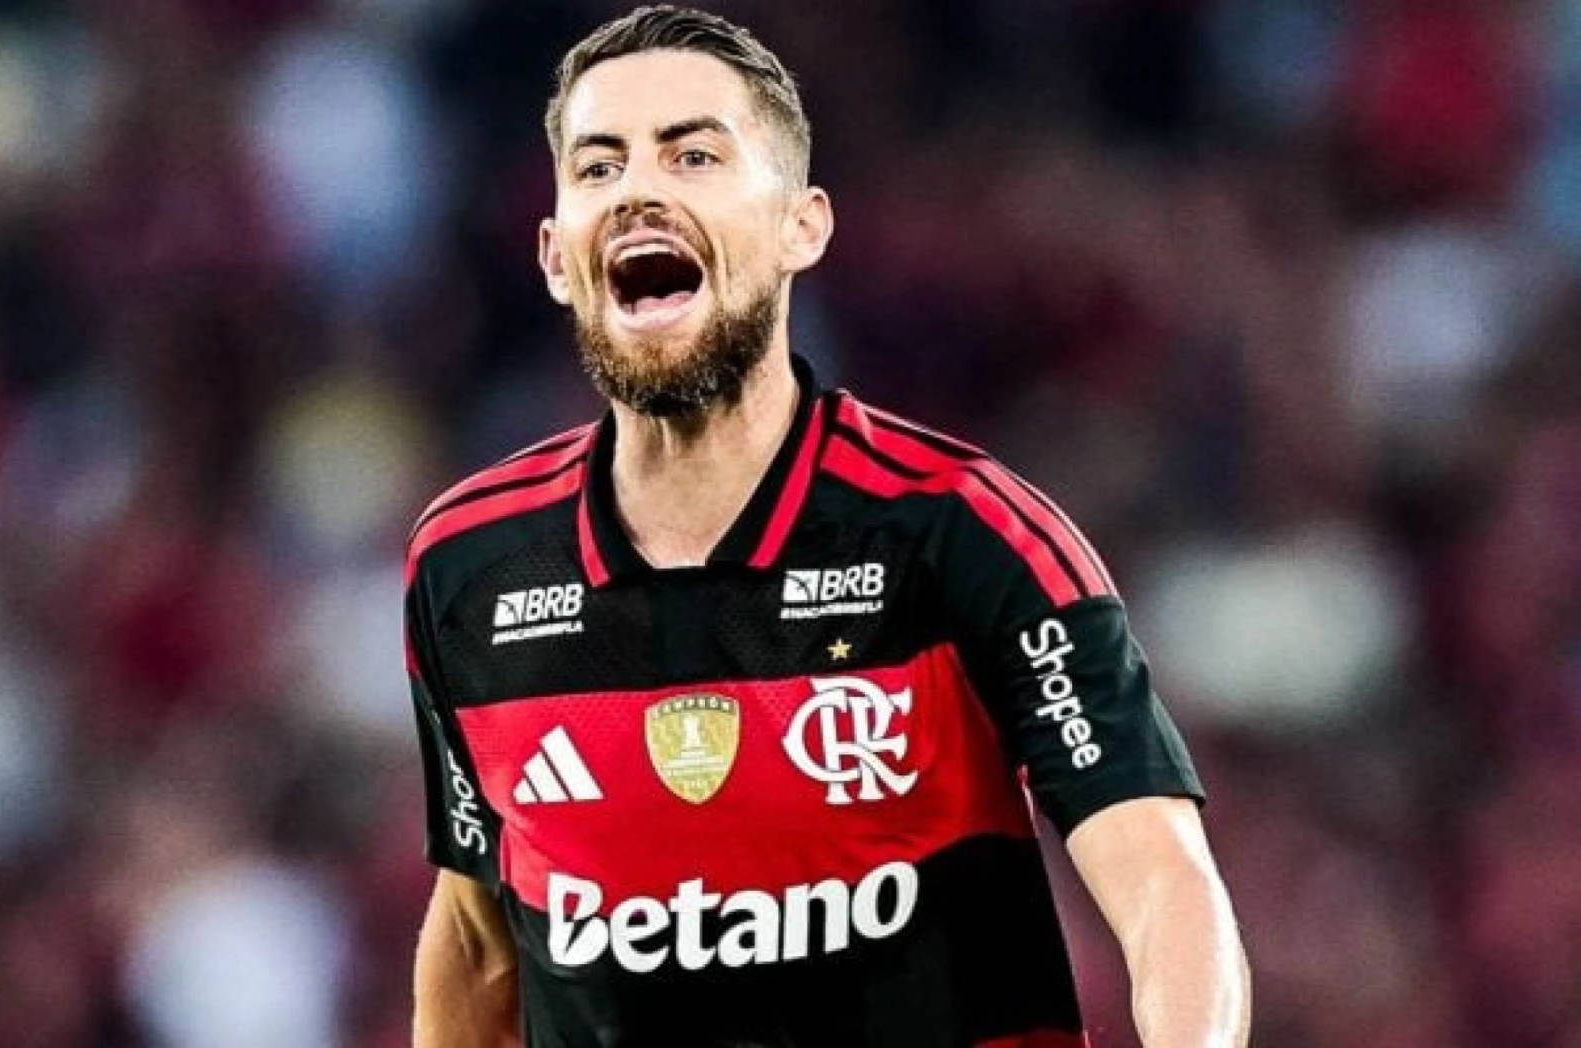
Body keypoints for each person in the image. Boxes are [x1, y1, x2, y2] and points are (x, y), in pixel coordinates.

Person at [404, 6, 1251, 1046]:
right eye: (598, 167)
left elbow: (1166, 889)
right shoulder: (469, 567)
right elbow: (477, 937)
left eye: (694, 154)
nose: (637, 191)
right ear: (551, 254)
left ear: (801, 225)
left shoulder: (963, 533)